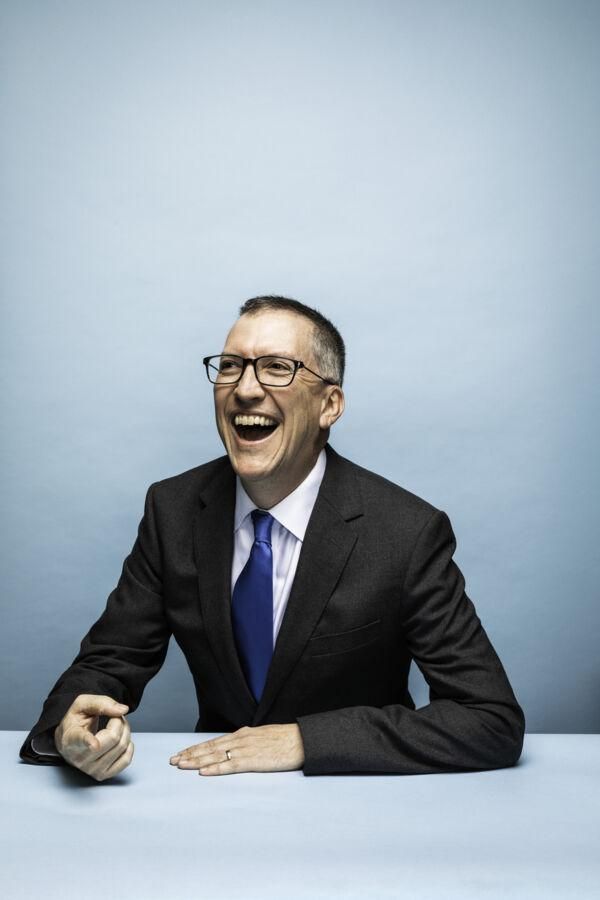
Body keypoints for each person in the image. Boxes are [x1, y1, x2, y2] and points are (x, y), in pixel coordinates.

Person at [20, 295, 525, 781]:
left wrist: (305, 740)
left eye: (277, 368)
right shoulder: (172, 510)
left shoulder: (406, 532)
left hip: (359, 807)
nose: (244, 388)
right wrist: (70, 727)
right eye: (231, 366)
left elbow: (489, 718)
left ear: (330, 404)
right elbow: (111, 662)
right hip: (209, 799)